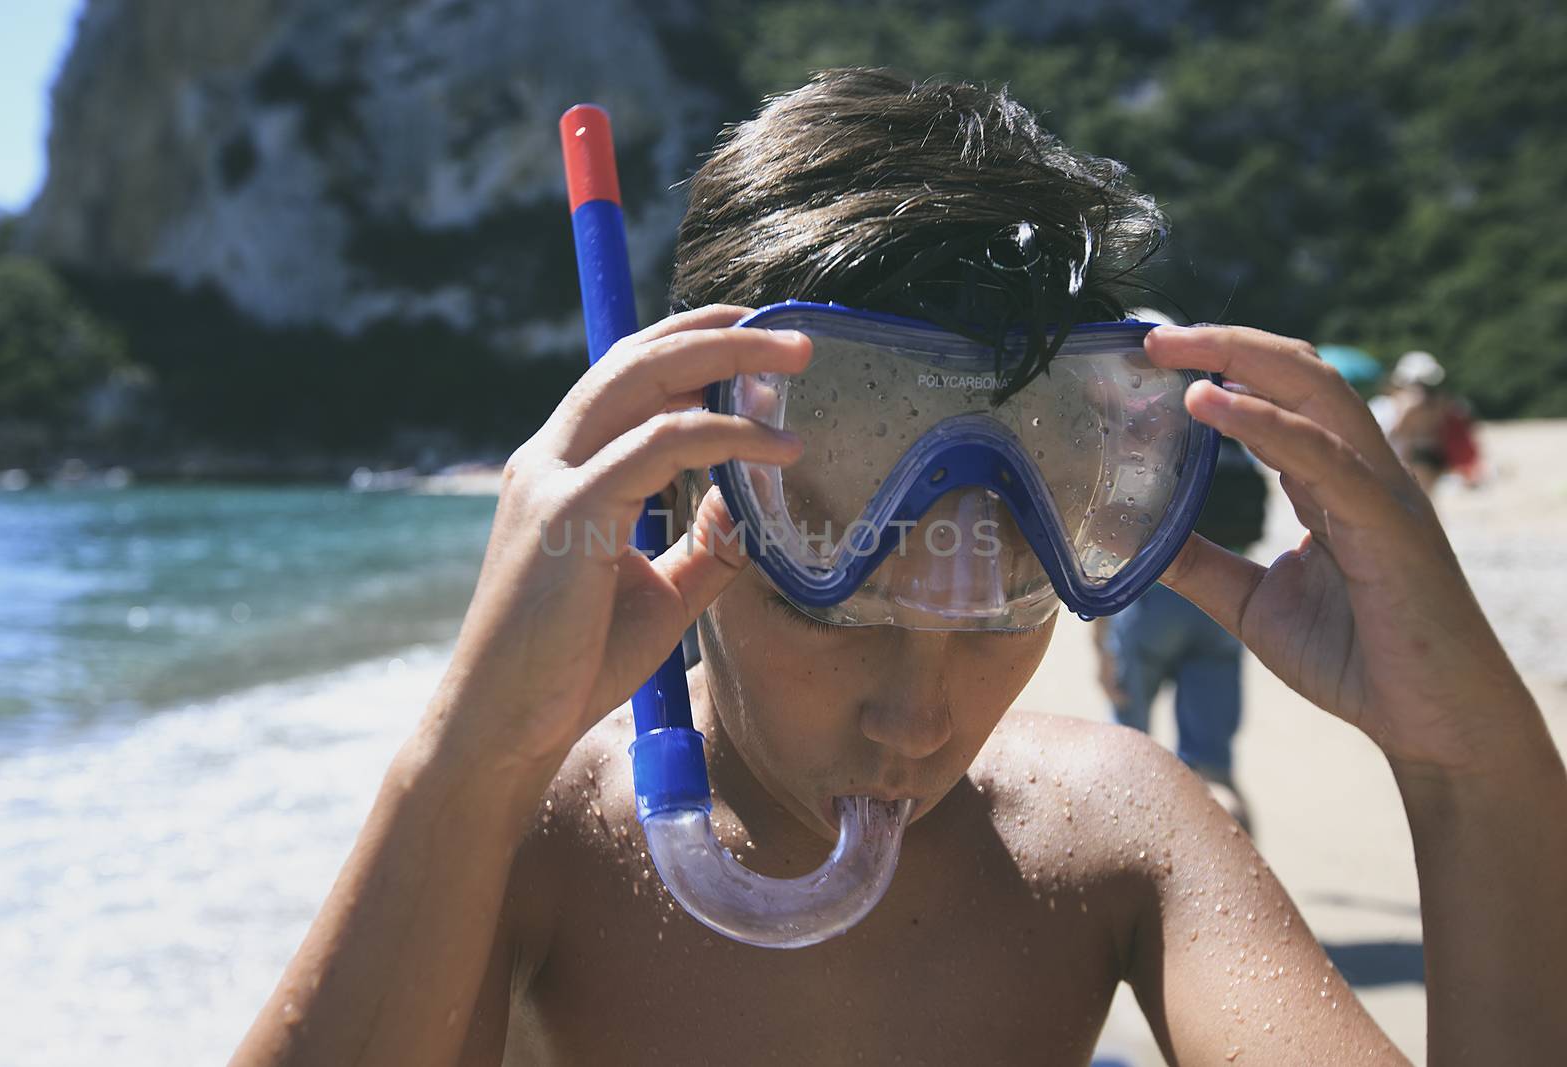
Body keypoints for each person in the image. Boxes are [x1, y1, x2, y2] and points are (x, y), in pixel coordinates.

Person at [232, 70, 1566, 1066]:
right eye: (848, 597)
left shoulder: (1109, 840)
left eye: (1003, 611)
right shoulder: (523, 848)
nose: (916, 716)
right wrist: (463, 758)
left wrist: (1470, 761)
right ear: (689, 492)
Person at [1094, 433, 1268, 831]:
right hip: (1224, 608)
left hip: (1151, 605)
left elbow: (1109, 551)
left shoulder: (1158, 449)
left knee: (1128, 750)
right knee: (1212, 768)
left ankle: (1126, 859)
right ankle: (1235, 870)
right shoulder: (1238, 449)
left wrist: (1102, 648)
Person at [1370, 350, 1482, 492]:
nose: (1425, 396)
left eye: (1430, 389)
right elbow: (1374, 449)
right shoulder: (1382, 409)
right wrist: (1405, 417)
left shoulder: (1440, 413)